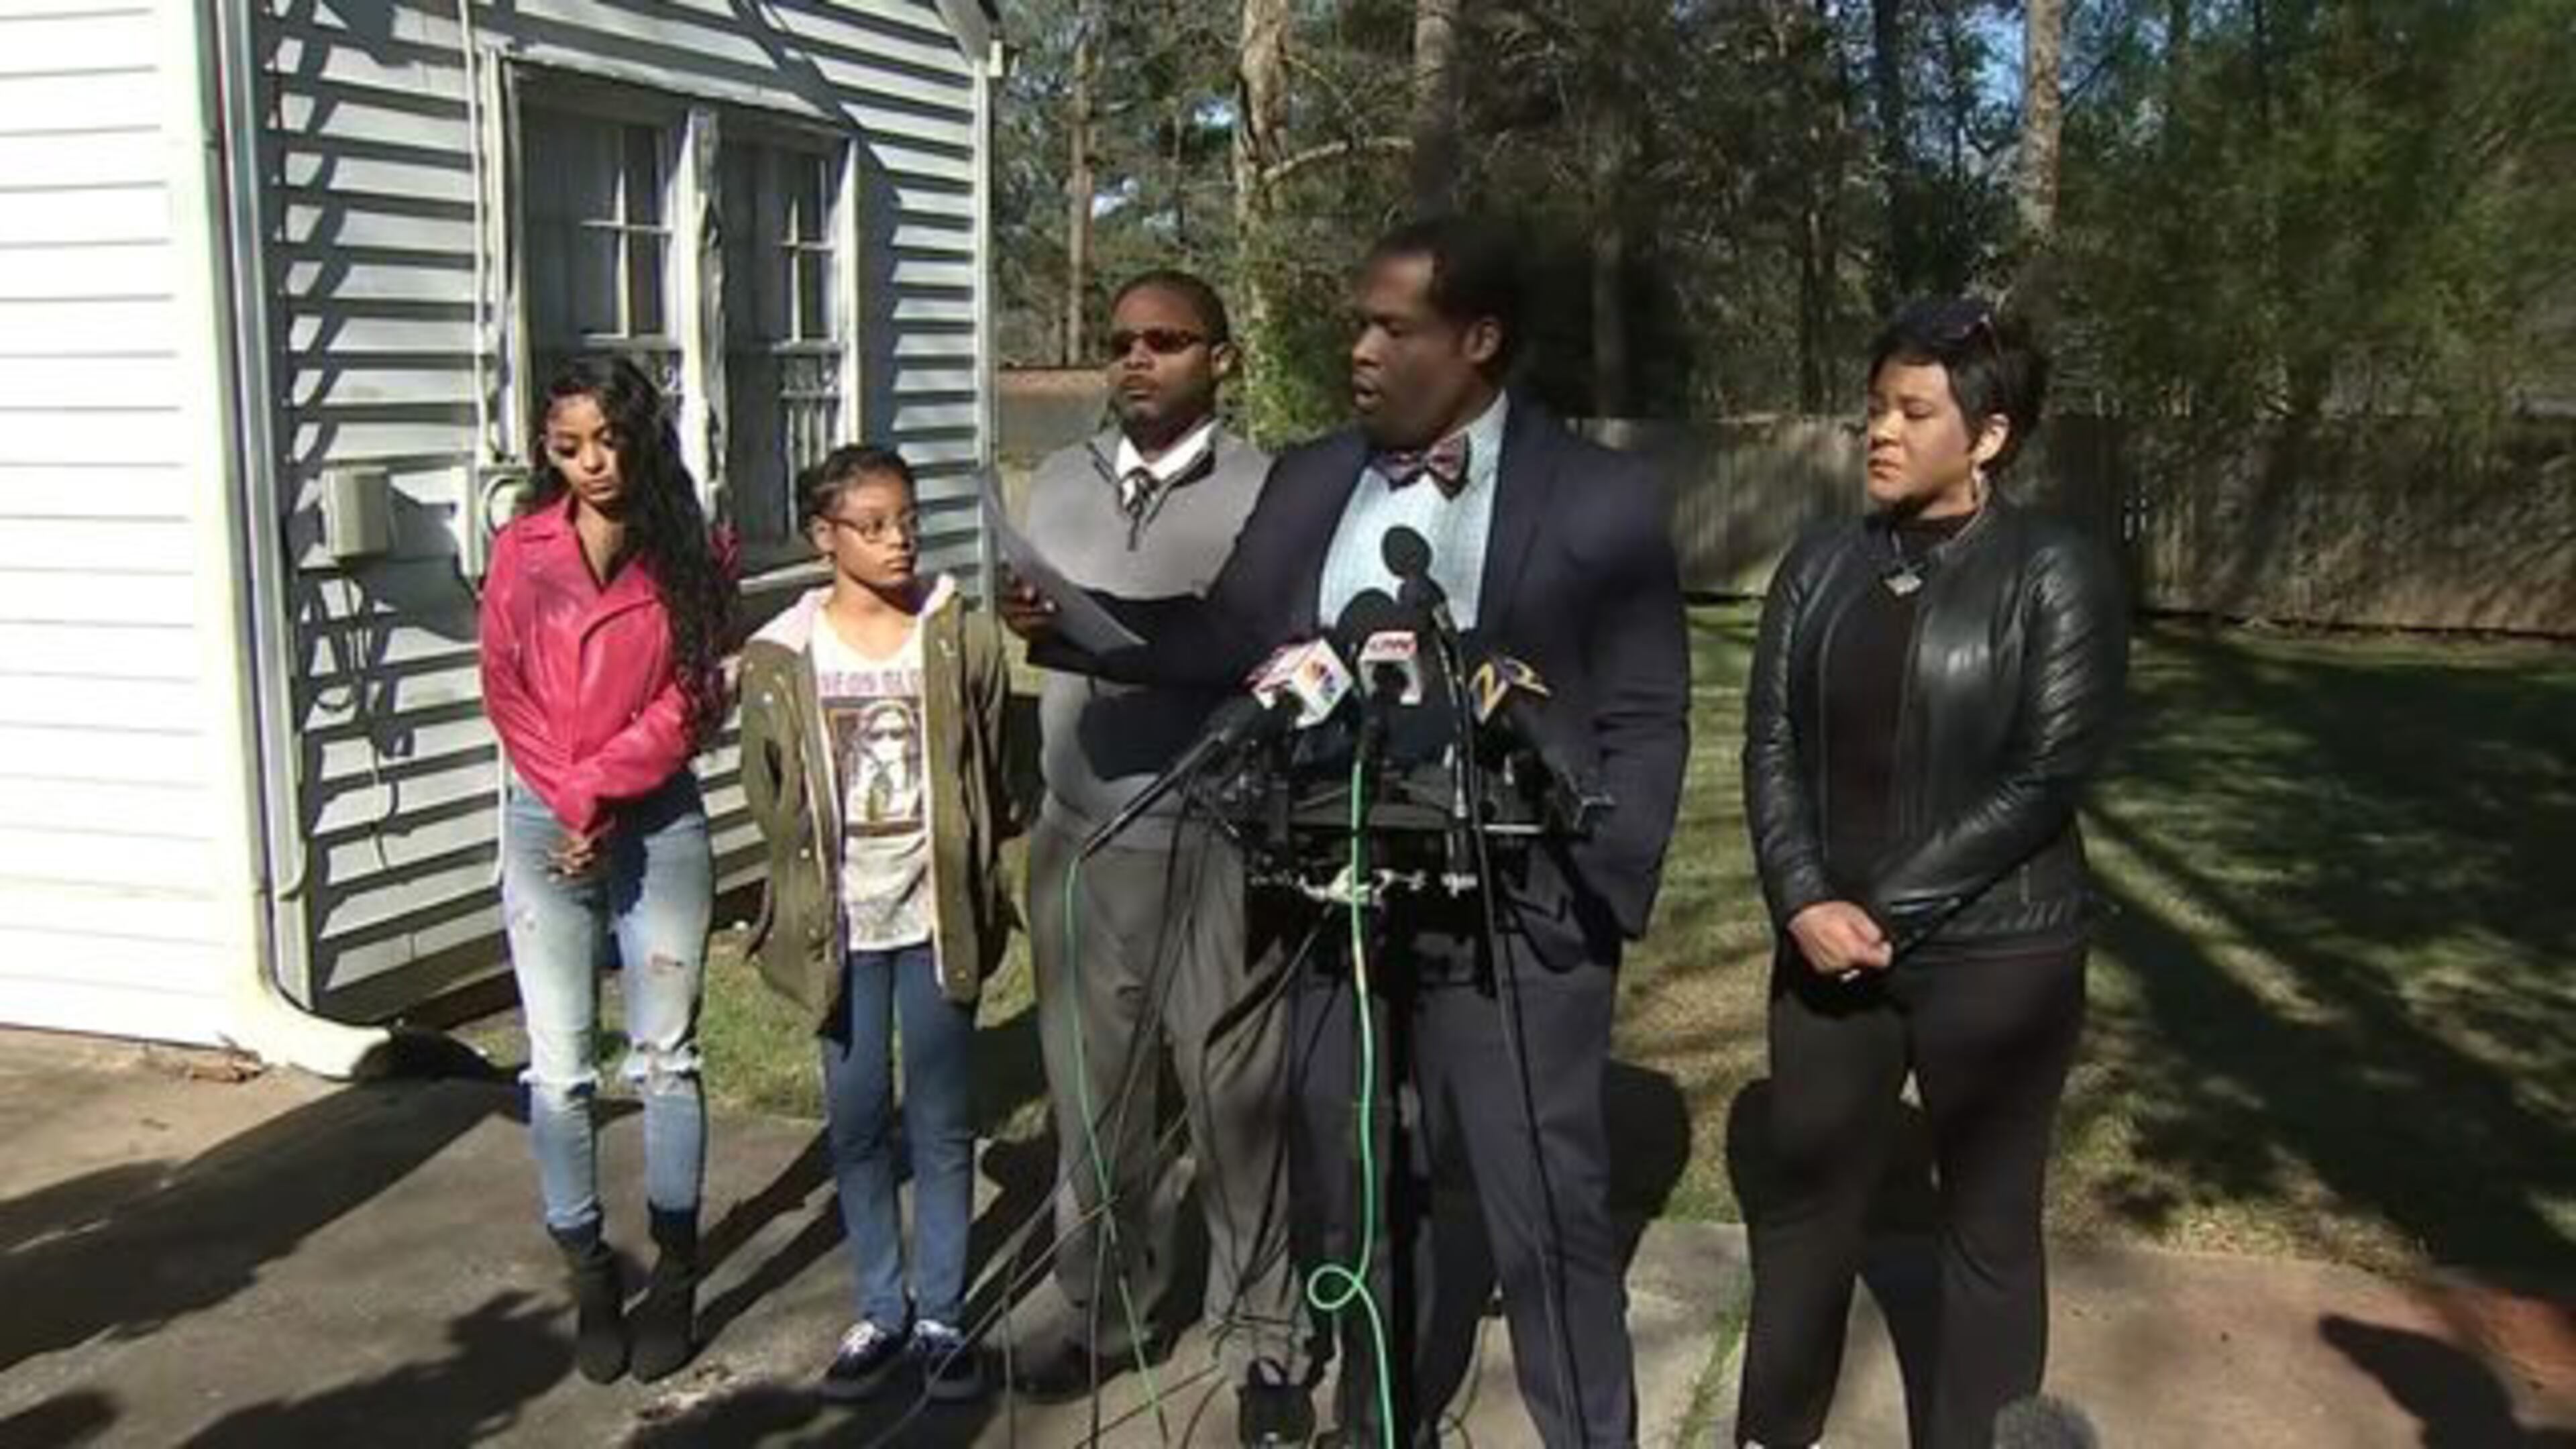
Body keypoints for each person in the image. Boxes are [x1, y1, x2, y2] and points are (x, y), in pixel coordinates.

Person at [1004, 217, 1690, 1448]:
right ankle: (1380, 1424)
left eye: (1393, 328)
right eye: (1356, 326)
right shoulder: (1318, 476)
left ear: (1478, 342)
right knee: (1361, 1207)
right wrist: (1072, 622)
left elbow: (1646, 717)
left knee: (1545, 1221)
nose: (1361, 352)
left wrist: (1596, 904)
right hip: (1338, 912)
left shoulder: (1598, 494)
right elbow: (1225, 633)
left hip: (1516, 924)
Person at [1733, 298, 2129, 1449]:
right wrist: (1804, 899)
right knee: (1805, 1215)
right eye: (1874, 411)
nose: (1882, 434)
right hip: (1826, 959)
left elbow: (2047, 775)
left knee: (1990, 1231)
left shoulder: (2057, 570)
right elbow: (1769, 746)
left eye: (1914, 411)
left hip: (2001, 953)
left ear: (1990, 435)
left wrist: (1883, 912)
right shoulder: (1820, 566)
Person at [1000, 270, 1312, 1439]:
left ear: (1219, 360)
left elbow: (1279, 650)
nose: (1135, 360)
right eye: (1120, 342)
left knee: (1238, 1103)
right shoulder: (1059, 481)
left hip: (1217, 837)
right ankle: (1106, 1305)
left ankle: (1264, 1340)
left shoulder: (1269, 492)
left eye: (1165, 342)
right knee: (1092, 1105)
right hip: (1081, 834)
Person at [739, 445, 1020, 1404]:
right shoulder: (783, 656)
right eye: (872, 525)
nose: (897, 540)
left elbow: (990, 759)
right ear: (825, 537)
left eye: (906, 520)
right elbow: (767, 791)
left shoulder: (957, 635)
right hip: (839, 926)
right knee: (857, 1122)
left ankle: (941, 1313)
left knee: (941, 1122)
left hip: (932, 915)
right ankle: (880, 1308)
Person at [476, 354, 733, 1385]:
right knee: (560, 1067)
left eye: (610, 441)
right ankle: (588, 1269)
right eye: (569, 446)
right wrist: (571, 797)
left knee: (666, 1056)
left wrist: (608, 789)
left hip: (657, 820)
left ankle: (674, 1273)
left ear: (641, 437)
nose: (593, 464)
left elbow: (695, 693)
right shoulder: (520, 549)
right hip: (546, 821)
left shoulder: (692, 549)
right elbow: (504, 683)